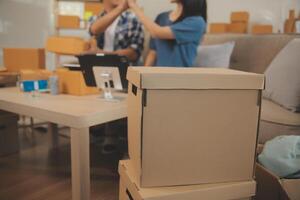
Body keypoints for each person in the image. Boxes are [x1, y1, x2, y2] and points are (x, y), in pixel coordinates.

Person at [127, 0, 207, 67]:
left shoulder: (197, 22)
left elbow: (157, 32)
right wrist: (143, 77)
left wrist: (133, 5)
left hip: (180, 80)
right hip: (156, 79)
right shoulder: (162, 17)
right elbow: (153, 52)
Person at [88, 0, 144, 64]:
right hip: (98, 67)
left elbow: (134, 53)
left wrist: (105, 55)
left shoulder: (132, 19)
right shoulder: (94, 19)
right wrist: (120, 8)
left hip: (124, 68)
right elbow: (93, 30)